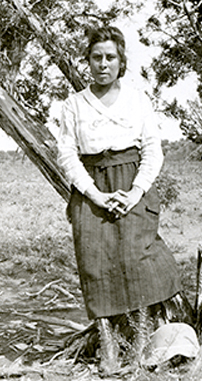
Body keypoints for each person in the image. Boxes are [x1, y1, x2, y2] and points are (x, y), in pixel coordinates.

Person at [57, 26, 193, 374]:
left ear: (121, 62)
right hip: (92, 189)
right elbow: (67, 155)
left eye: (110, 57)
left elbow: (152, 150)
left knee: (143, 260)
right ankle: (109, 348)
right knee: (95, 263)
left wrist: (134, 192)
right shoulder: (74, 105)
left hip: (133, 183)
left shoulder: (137, 100)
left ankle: (143, 341)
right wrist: (96, 195)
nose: (103, 64)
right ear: (87, 61)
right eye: (96, 57)